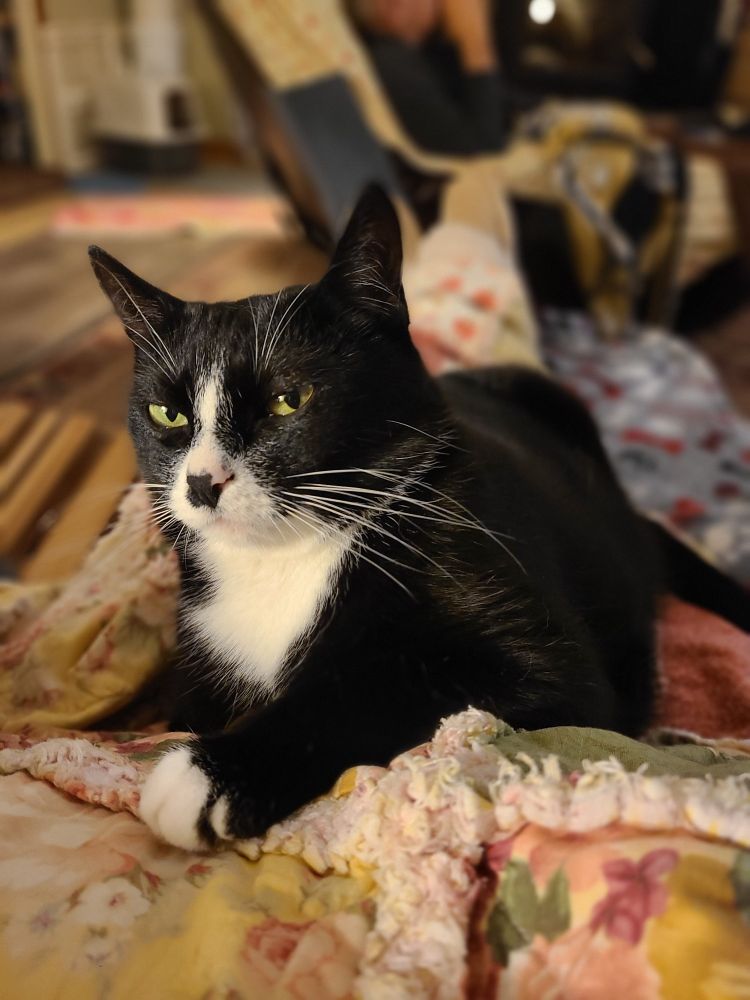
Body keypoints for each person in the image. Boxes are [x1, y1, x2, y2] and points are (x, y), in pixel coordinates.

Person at [348, 0, 507, 156]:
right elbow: (484, 151)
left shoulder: (429, 49)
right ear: (392, 6)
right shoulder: (393, 67)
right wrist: (475, 42)